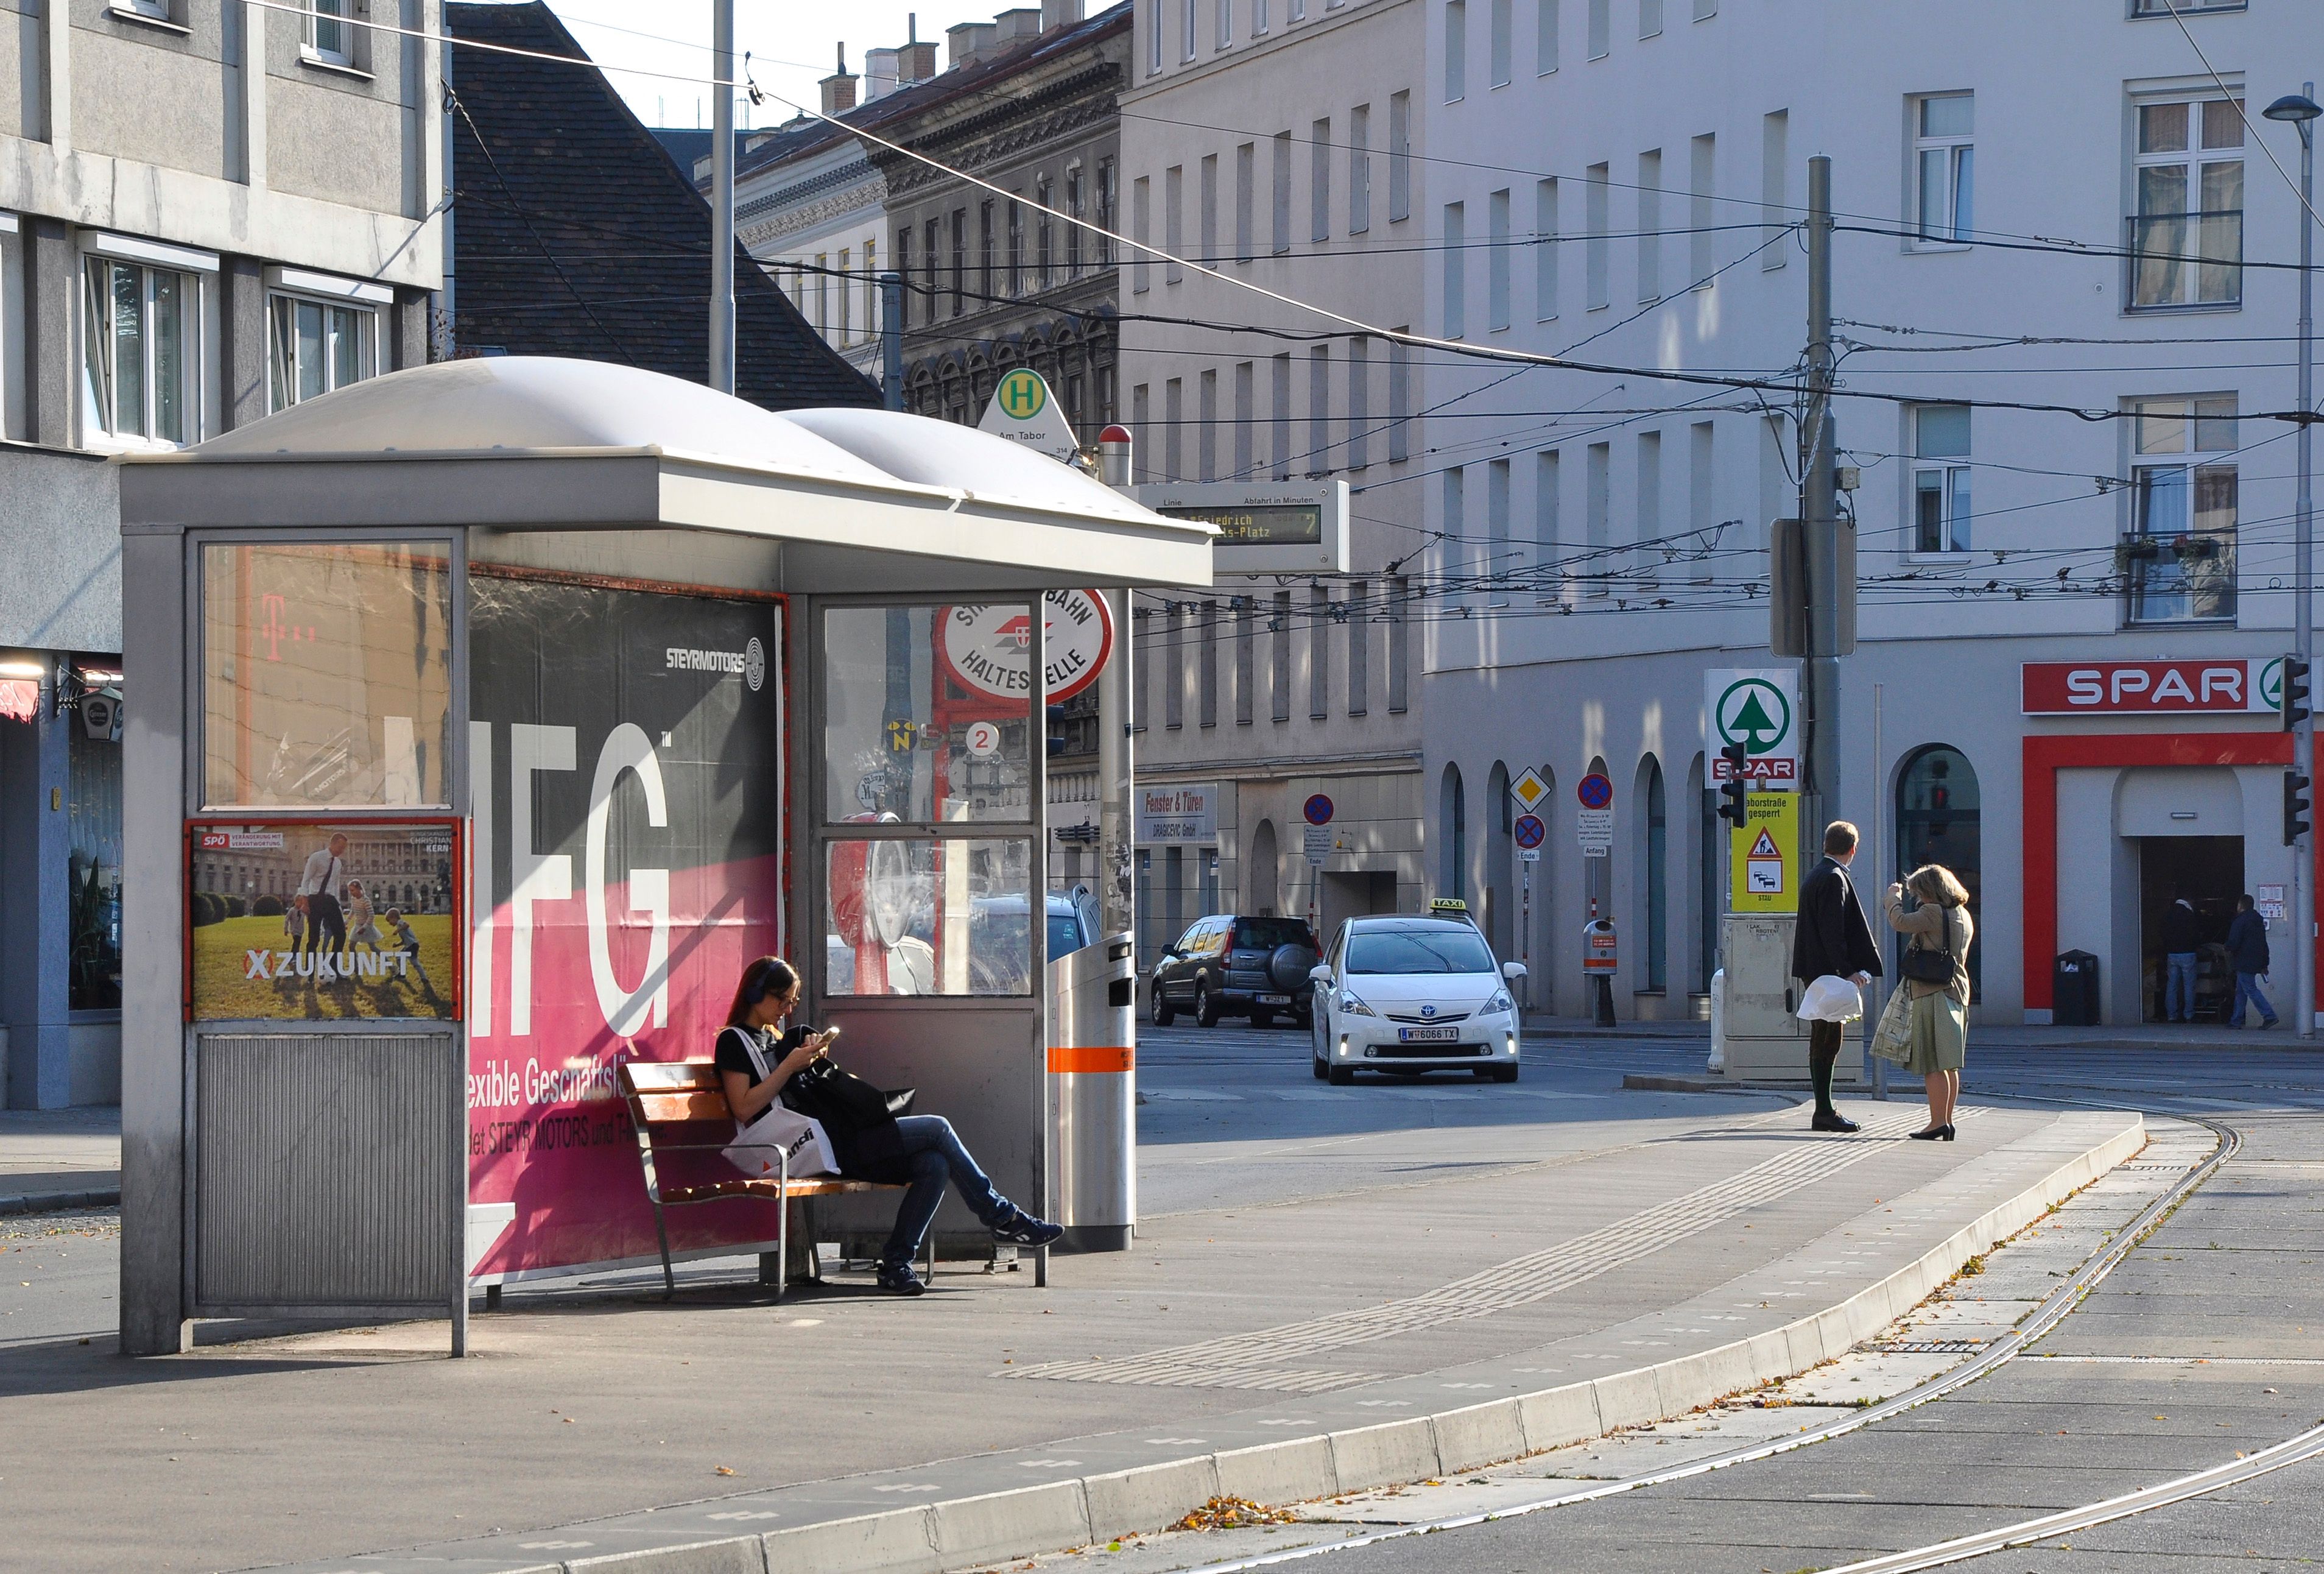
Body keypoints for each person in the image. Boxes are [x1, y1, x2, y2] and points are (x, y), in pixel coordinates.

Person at [714, 956, 1063, 1297]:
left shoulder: (775, 1037)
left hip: (830, 1140)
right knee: (937, 1129)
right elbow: (744, 1108)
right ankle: (1002, 1218)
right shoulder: (733, 1040)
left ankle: (897, 1263)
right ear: (756, 993)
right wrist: (789, 1066)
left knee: (933, 1164)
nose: (787, 1009)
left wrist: (807, 1058)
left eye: (793, 1001)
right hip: (801, 1149)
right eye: (782, 999)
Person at [1791, 820, 1884, 1134]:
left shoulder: (1817, 874)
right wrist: (1848, 970)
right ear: (1853, 849)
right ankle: (1824, 1111)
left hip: (1815, 969)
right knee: (1829, 1039)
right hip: (1827, 971)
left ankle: (1824, 1109)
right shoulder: (1834, 879)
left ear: (1826, 845)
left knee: (1823, 1037)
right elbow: (1833, 931)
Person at [1884, 865, 1974, 1140]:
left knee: (1932, 1063)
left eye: (1919, 893)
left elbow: (1899, 922)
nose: (1918, 899)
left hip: (1931, 991)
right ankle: (1945, 1120)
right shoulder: (1962, 914)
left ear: (1930, 891)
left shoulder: (1932, 913)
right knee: (1949, 1064)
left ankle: (1936, 1123)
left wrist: (1892, 899)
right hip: (1956, 990)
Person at [2225, 895, 2280, 1029]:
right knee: (2241, 991)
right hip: (2255, 961)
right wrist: (2264, 963)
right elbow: (2263, 944)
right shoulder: (2258, 921)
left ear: (2241, 906)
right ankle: (2236, 1020)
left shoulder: (2240, 921)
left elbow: (2234, 941)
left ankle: (2269, 1015)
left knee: (2250, 989)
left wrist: (2226, 947)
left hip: (2244, 961)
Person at [297, 832, 351, 968]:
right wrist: (305, 902)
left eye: (344, 848)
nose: (342, 851)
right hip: (315, 899)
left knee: (341, 935)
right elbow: (306, 880)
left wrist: (338, 907)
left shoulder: (338, 864)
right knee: (314, 938)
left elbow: (335, 885)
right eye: (340, 847)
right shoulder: (316, 858)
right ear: (332, 844)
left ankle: (333, 966)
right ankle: (309, 970)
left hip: (330, 900)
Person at [2158, 897, 2199, 1023]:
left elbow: (2163, 934)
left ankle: (2172, 1015)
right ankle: (2189, 1015)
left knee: (2172, 985)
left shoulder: (2168, 914)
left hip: (2172, 954)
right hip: (2188, 953)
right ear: (2189, 901)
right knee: (2189, 986)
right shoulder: (2189, 915)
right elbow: (2195, 935)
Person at [382, 908, 435, 996]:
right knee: (410, 961)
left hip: (412, 945)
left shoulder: (400, 923)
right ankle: (423, 978)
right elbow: (405, 940)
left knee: (407, 960)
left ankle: (404, 975)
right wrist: (397, 945)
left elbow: (407, 925)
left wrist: (398, 930)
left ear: (394, 917)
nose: (389, 923)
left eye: (390, 920)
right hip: (411, 945)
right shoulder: (399, 925)